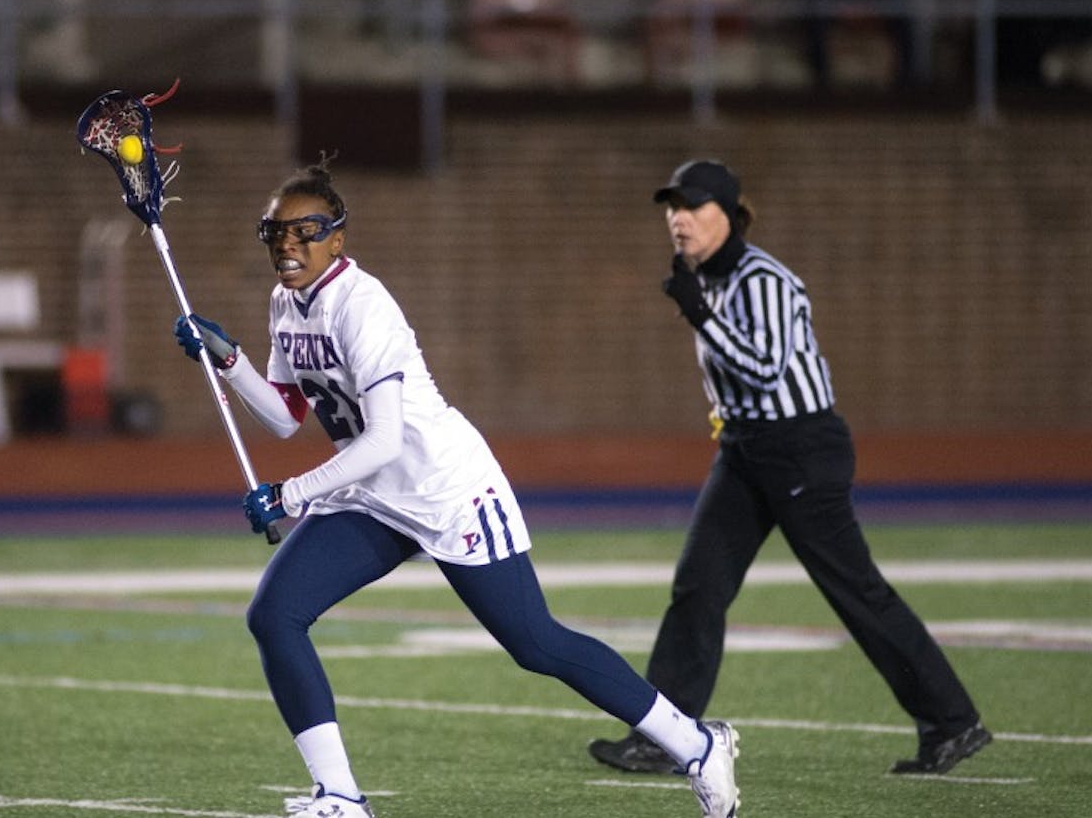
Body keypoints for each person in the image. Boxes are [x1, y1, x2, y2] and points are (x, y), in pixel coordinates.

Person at [172, 161, 742, 818]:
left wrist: (291, 495)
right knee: (275, 616)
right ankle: (341, 796)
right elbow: (284, 416)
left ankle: (696, 745)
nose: (288, 245)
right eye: (275, 233)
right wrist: (229, 360)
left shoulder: (363, 305)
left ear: (338, 238)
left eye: (307, 231)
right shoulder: (284, 304)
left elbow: (385, 439)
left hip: (444, 490)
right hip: (373, 494)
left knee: (536, 644)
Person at [586, 159, 991, 777]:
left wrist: (701, 316)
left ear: (728, 213)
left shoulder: (763, 278)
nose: (678, 219)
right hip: (746, 451)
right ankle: (665, 736)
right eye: (672, 207)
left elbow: (767, 368)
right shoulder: (708, 281)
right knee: (698, 587)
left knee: (855, 590)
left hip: (800, 448)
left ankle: (952, 721)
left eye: (692, 206)